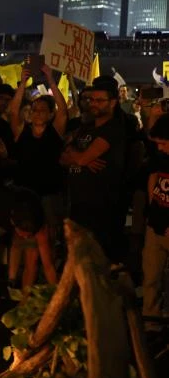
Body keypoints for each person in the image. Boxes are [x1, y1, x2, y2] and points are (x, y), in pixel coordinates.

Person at [0, 185, 58, 319]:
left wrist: (58, 297)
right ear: (13, 223)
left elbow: (48, 266)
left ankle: (24, 304)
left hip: (27, 212)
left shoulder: (38, 226)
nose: (26, 237)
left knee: (32, 257)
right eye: (23, 234)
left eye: (29, 235)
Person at [61, 85, 125, 261]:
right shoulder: (85, 128)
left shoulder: (113, 129)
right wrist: (81, 158)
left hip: (100, 205)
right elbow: (62, 158)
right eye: (91, 100)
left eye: (99, 100)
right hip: (78, 203)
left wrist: (78, 157)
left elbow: (77, 158)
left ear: (112, 103)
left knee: (97, 258)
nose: (93, 104)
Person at [7, 65, 68, 245]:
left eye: (42, 110)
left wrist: (50, 79)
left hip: (49, 193)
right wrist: (23, 83)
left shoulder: (55, 132)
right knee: (24, 235)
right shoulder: (21, 131)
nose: (37, 113)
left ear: (50, 115)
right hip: (25, 192)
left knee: (50, 235)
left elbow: (63, 110)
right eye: (34, 109)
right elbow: (13, 111)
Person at [142, 114, 169, 318]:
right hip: (155, 223)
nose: (160, 148)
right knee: (151, 276)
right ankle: (151, 319)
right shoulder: (161, 157)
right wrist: (153, 205)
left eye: (163, 143)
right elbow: (153, 175)